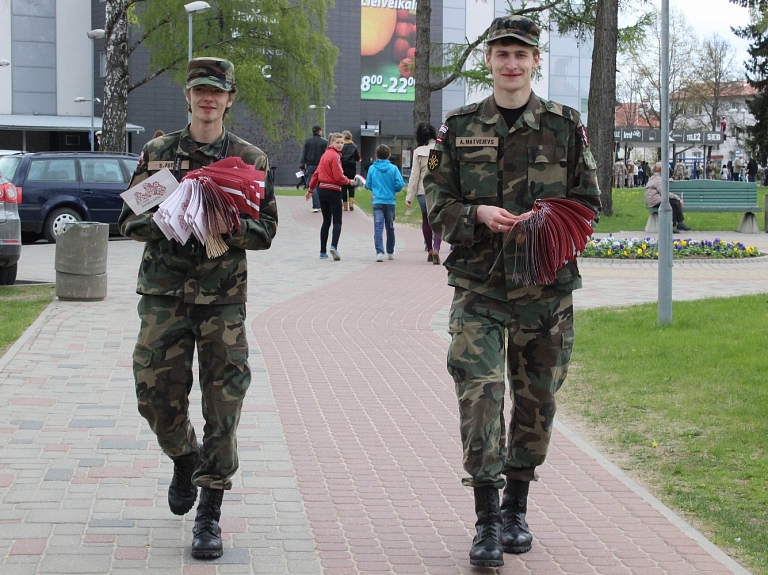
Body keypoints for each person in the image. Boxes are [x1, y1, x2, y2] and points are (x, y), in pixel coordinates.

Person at [423, 15, 601, 568]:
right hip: (479, 286)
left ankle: (517, 507)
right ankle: (485, 518)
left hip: (545, 291)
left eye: (521, 54)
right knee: (479, 395)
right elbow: (435, 203)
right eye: (502, 53)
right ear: (489, 61)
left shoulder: (566, 127)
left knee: (536, 400)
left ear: (535, 62)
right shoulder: (458, 127)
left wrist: (553, 223)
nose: (511, 63)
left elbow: (589, 202)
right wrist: (475, 213)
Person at [118, 57, 278, 560]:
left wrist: (221, 221)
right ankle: (184, 456)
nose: (208, 99)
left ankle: (210, 511)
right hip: (164, 296)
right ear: (187, 96)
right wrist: (170, 216)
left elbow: (266, 231)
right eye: (199, 91)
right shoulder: (158, 152)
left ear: (230, 98)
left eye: (217, 92)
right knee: (153, 393)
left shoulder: (250, 158)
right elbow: (128, 220)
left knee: (224, 405)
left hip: (223, 301)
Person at [306, 132, 356, 260]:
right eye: (337, 142)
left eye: (342, 143)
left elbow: (316, 174)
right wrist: (349, 181)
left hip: (322, 189)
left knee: (326, 221)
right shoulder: (335, 157)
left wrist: (311, 189)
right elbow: (338, 176)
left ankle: (323, 251)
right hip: (333, 190)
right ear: (331, 143)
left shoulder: (324, 156)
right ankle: (334, 246)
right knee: (337, 220)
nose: (340, 145)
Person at [406, 122, 443, 264]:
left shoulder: (418, 152)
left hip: (423, 190)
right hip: (439, 188)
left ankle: (429, 250)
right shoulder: (441, 149)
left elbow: (414, 175)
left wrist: (409, 196)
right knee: (438, 220)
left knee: (426, 220)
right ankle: (436, 249)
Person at [365, 144, 404, 261]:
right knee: (390, 226)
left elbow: (368, 184)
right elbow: (400, 184)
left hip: (377, 200)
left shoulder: (372, 168)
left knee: (378, 226)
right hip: (390, 201)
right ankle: (390, 251)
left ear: (376, 155)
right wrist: (394, 190)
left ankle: (379, 251)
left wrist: (374, 189)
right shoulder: (393, 168)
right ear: (389, 155)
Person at [644, 161, 690, 232]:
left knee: (674, 202)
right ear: (660, 169)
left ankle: (679, 224)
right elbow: (664, 192)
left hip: (654, 200)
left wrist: (667, 181)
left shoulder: (655, 177)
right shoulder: (658, 179)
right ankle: (672, 226)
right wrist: (677, 197)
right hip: (655, 201)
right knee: (674, 203)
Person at [300, 125, 327, 212]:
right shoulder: (325, 142)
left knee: (313, 185)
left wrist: (302, 166)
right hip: (322, 166)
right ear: (319, 131)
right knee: (321, 185)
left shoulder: (307, 142)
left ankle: (316, 205)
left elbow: (303, 154)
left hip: (310, 165)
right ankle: (322, 204)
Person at [340, 130, 362, 211]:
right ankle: (351, 203)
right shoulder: (354, 147)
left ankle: (345, 205)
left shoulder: (341, 146)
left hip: (342, 168)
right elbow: (357, 158)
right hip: (352, 168)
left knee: (344, 186)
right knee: (352, 185)